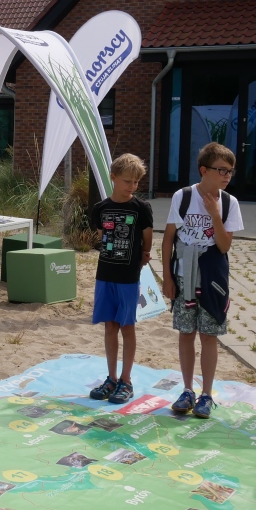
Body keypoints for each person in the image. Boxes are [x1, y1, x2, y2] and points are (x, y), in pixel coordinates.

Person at [161, 143, 245, 419]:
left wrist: (215, 216)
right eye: (221, 170)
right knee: (187, 333)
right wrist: (167, 276)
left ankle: (206, 393)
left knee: (209, 335)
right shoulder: (183, 197)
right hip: (184, 276)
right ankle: (187, 389)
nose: (226, 176)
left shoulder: (230, 203)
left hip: (212, 278)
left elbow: (224, 246)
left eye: (230, 172)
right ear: (204, 170)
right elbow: (169, 238)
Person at [88, 154, 153, 405]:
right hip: (105, 274)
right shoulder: (100, 208)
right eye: (127, 181)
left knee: (127, 326)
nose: (132, 186)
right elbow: (101, 234)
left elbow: (148, 237)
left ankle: (126, 380)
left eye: (136, 182)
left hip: (128, 276)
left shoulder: (141, 208)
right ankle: (112, 378)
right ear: (113, 178)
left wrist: (145, 254)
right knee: (109, 326)